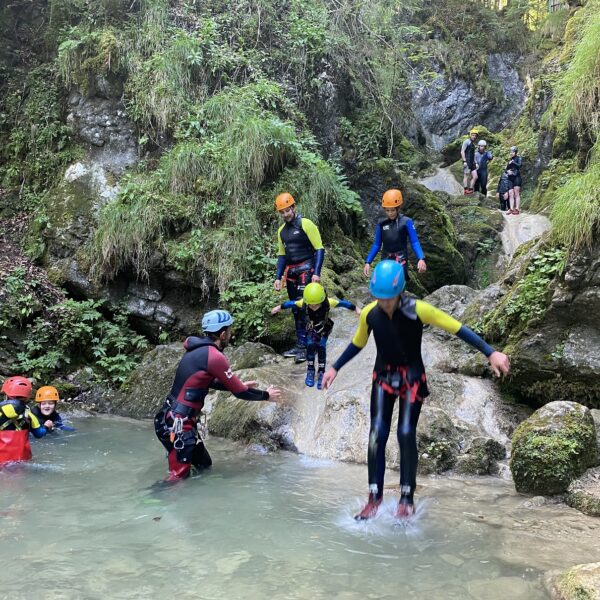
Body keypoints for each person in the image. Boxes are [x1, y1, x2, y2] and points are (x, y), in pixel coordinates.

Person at [321, 261, 510, 521]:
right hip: (383, 377)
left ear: (399, 292)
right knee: (377, 433)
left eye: (388, 299)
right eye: (379, 298)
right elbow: (358, 343)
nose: (384, 303)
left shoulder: (419, 309)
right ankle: (373, 498)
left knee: (406, 432)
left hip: (411, 377)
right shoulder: (369, 314)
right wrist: (335, 367)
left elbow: (456, 328)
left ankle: (406, 498)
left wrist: (491, 352)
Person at [154, 309, 282, 482]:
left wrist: (236, 385)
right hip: (178, 424)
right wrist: (266, 395)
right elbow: (241, 393)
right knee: (177, 478)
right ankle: (151, 502)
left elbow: (209, 381)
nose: (231, 333)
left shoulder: (198, 349)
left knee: (204, 466)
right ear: (222, 334)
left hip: (174, 418)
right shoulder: (214, 356)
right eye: (229, 330)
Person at [271, 282, 360, 390]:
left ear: (322, 300)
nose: (313, 307)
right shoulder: (303, 302)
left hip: (324, 328)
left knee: (321, 346)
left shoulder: (329, 302)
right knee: (310, 345)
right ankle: (310, 369)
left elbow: (344, 304)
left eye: (316, 304)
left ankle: (321, 371)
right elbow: (290, 303)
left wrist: (356, 309)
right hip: (311, 328)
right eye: (311, 305)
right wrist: (279, 307)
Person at [273, 192, 325, 363]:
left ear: (293, 208)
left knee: (305, 307)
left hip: (307, 269)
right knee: (296, 309)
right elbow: (282, 256)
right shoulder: (281, 232)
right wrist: (278, 277)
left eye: (287, 210)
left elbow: (319, 248)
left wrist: (316, 272)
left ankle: (311, 344)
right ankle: (301, 344)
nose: (285, 214)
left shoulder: (305, 224)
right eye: (282, 212)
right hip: (292, 273)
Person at [363, 189, 427, 283]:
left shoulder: (406, 222)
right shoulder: (381, 223)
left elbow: (415, 242)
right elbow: (377, 245)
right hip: (386, 258)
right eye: (387, 210)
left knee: (399, 284)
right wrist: (368, 262)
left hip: (401, 259)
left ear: (398, 208)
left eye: (392, 210)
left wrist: (421, 258)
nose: (390, 213)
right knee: (385, 283)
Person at [0, 376, 46, 464]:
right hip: (23, 460)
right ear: (27, 397)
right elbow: (39, 434)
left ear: (6, 395)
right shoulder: (29, 415)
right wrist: (47, 427)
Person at [505, 146, 523, 215]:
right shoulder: (510, 160)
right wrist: (508, 171)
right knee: (510, 193)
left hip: (516, 177)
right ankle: (511, 208)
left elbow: (519, 166)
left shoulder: (519, 158)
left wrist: (513, 162)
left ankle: (517, 209)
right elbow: (506, 169)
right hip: (510, 178)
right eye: (510, 152)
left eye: (512, 152)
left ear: (515, 152)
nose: (511, 153)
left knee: (516, 193)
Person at [461, 129, 479, 195]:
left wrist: (476, 162)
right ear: (470, 135)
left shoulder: (473, 144)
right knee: (466, 176)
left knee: (475, 177)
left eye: (475, 135)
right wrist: (464, 161)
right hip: (467, 162)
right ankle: (465, 190)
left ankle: (470, 189)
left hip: (472, 163)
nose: (474, 136)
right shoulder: (466, 142)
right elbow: (462, 151)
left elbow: (473, 154)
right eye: (473, 135)